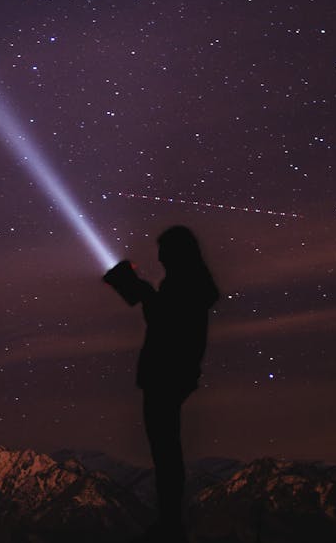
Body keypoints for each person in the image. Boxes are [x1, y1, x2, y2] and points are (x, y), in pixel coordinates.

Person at [104, 226, 219, 540]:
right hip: (173, 373)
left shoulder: (184, 284)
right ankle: (170, 519)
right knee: (166, 449)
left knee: (165, 451)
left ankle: (170, 522)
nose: (160, 256)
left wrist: (142, 292)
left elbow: (168, 323)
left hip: (166, 374)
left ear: (176, 252)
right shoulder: (192, 283)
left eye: (164, 250)